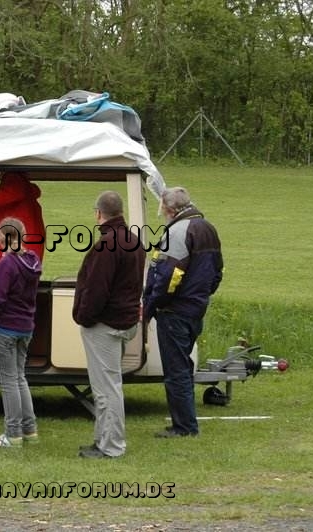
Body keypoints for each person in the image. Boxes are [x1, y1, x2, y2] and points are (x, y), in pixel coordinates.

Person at [143, 186, 223, 438]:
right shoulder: (208, 228)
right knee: (183, 366)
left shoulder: (177, 231)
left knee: (176, 370)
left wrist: (152, 305)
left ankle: (184, 427)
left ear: (169, 209)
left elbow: (169, 275)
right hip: (196, 308)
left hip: (174, 311)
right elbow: (218, 271)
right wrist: (202, 295)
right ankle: (185, 421)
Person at [72, 191, 146, 458]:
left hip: (106, 324)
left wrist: (84, 316)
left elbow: (96, 290)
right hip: (125, 320)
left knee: (106, 388)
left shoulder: (107, 245)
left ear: (98, 213)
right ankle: (102, 439)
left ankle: (111, 445)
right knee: (107, 385)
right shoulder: (134, 241)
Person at [0, 217, 42, 448]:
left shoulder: (6, 264)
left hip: (5, 327)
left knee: (8, 382)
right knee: (19, 377)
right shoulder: (32, 260)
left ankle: (13, 433)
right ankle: (29, 429)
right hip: (25, 326)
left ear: (0, 239)